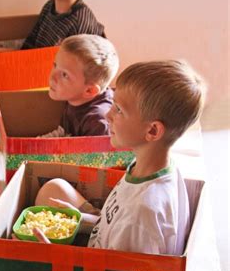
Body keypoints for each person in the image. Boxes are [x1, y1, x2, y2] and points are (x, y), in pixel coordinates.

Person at [33, 60, 206, 255]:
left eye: (119, 110)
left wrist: (53, 254)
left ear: (152, 130)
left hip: (101, 269)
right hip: (106, 233)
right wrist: (81, 220)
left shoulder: (140, 217)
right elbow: (113, 221)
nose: (107, 115)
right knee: (54, 189)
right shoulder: (149, 164)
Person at [38, 34, 119, 138]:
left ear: (89, 90)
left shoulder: (97, 124)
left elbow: (96, 154)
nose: (52, 77)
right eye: (55, 65)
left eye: (64, 75)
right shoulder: (75, 95)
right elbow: (64, 133)